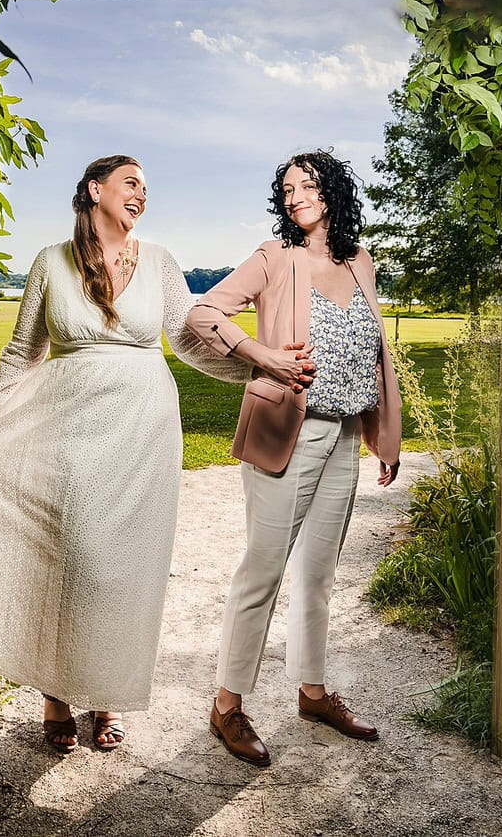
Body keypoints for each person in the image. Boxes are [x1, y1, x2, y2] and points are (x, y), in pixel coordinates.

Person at [0, 155, 248, 753]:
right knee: (69, 558)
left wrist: (260, 368)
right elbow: (23, 351)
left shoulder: (161, 261)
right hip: (69, 430)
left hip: (144, 433)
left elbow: (188, 340)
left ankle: (106, 695)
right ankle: (55, 694)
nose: (142, 194)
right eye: (132, 183)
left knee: (122, 566)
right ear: (95, 189)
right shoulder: (50, 261)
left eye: (146, 187)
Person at [185, 150, 401, 767]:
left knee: (318, 573)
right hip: (288, 431)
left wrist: (381, 436)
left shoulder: (360, 261)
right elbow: (203, 313)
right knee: (264, 569)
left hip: (344, 437)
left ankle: (312, 692)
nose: (296, 196)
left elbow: (372, 355)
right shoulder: (274, 257)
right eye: (287, 189)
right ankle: (227, 705)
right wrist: (264, 356)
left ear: (333, 192)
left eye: (308, 185)